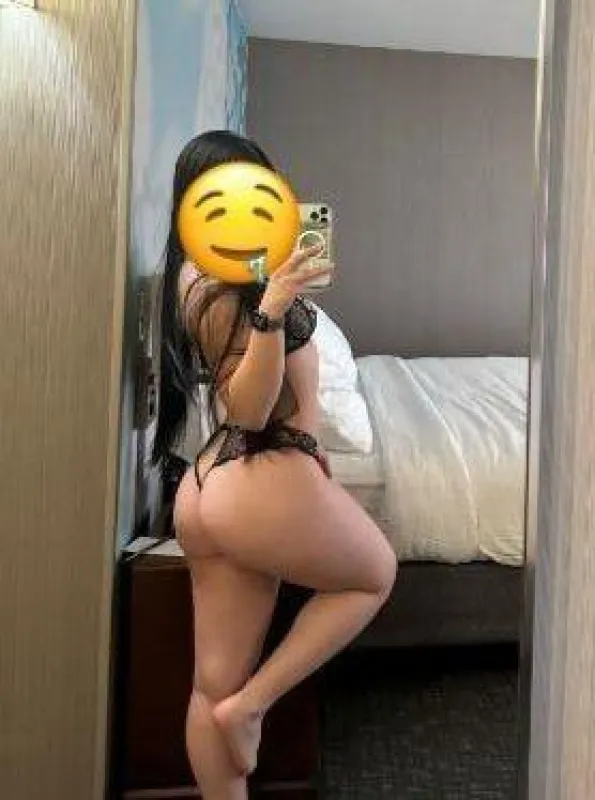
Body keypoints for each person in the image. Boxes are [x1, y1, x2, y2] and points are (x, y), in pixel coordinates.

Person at [153, 130, 397, 800]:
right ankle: (254, 707)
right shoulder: (218, 286)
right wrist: (272, 309)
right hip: (254, 471)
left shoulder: (211, 271)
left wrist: (274, 287)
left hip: (215, 484)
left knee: (212, 686)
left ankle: (238, 715)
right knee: (373, 575)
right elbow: (250, 410)